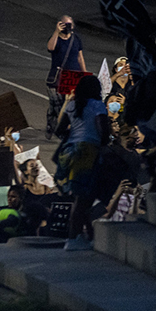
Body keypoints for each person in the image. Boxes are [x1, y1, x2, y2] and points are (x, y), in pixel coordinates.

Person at [55, 75, 112, 251]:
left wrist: (74, 135)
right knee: (83, 200)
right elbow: (103, 131)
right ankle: (73, 238)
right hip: (88, 154)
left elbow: (59, 129)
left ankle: (86, 235)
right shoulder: (97, 105)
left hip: (70, 153)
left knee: (82, 197)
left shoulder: (72, 105)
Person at [45, 15, 87, 139]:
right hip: (58, 77)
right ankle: (54, 125)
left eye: (70, 24)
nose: (68, 27)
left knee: (69, 104)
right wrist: (56, 32)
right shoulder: (55, 38)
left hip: (73, 77)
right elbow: (50, 48)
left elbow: (80, 57)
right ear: (60, 24)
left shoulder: (76, 39)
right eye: (65, 24)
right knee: (57, 105)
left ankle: (63, 128)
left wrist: (84, 73)